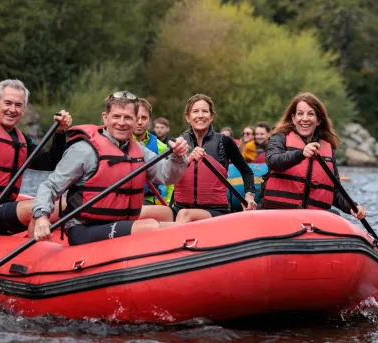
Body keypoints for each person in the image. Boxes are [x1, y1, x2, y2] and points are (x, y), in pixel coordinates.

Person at [32, 91, 189, 245]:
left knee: (178, 228)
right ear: (105, 118)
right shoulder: (84, 150)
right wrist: (41, 217)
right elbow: (50, 186)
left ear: (135, 121)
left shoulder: (139, 150)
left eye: (128, 117)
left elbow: (167, 176)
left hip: (120, 225)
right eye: (116, 116)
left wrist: (178, 157)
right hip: (83, 228)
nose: (121, 122)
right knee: (149, 226)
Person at [0, 79, 72, 237]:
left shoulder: (20, 140)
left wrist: (60, 133)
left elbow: (49, 162)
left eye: (18, 105)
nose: (12, 109)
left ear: (23, 110)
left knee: (64, 203)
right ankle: (35, 254)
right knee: (36, 207)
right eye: (7, 103)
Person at [146, 94, 257, 224]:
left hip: (215, 211)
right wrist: (188, 159)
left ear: (211, 117)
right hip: (180, 207)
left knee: (184, 214)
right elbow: (168, 173)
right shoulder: (179, 142)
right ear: (188, 117)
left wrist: (249, 196)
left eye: (205, 111)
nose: (200, 115)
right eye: (195, 111)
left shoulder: (224, 142)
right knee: (144, 212)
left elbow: (246, 171)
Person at [259, 92, 367, 219]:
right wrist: (301, 154)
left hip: (314, 219)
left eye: (310, 114)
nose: (305, 118)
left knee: (335, 215)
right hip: (278, 214)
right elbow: (273, 161)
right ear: (293, 118)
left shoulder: (327, 147)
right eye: (300, 114)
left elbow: (334, 191)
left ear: (318, 120)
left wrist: (352, 207)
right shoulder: (279, 138)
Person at [132, 98, 174, 205]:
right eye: (136, 118)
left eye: (144, 118)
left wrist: (168, 202)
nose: (139, 122)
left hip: (152, 202)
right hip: (126, 200)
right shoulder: (119, 143)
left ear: (150, 121)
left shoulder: (162, 148)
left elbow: (170, 180)